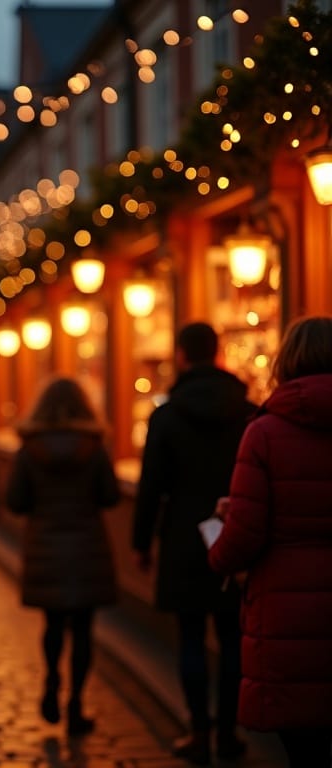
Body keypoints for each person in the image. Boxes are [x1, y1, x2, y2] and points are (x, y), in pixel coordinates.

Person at [207, 316, 332, 768]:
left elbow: (244, 535)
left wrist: (217, 554)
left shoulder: (264, 432)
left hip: (286, 610)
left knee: (303, 747)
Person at [133, 321, 254, 765]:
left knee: (189, 636)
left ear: (182, 356)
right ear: (218, 353)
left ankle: (198, 732)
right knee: (232, 637)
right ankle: (228, 733)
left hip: (184, 536)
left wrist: (141, 542)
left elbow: (151, 486)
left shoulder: (167, 415)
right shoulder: (248, 411)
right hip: (235, 533)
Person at [6, 377, 120, 736]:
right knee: (84, 630)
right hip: (87, 546)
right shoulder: (95, 447)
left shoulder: (29, 449)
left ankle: (52, 681)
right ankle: (76, 705)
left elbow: (16, 500)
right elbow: (110, 496)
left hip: (45, 546)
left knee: (53, 624)